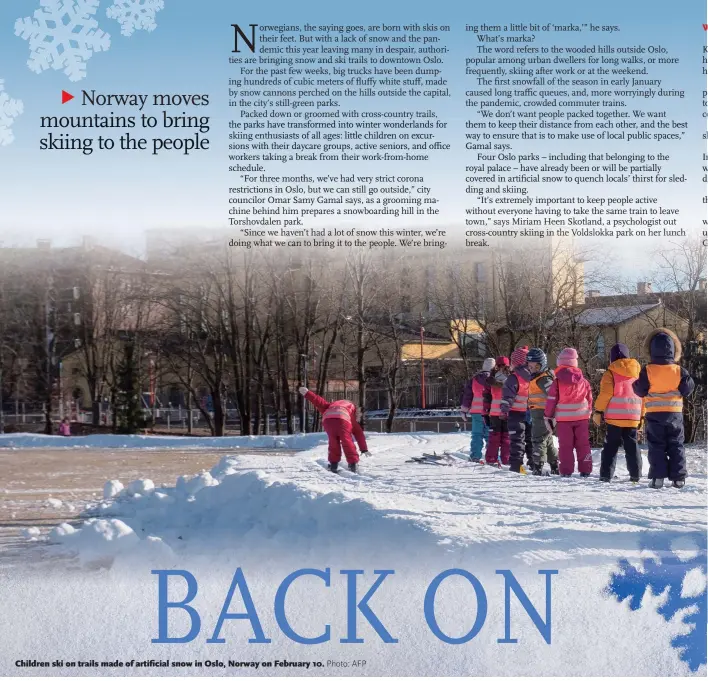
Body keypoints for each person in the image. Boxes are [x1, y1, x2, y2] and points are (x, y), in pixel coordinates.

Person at [632, 328, 695, 489]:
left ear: (651, 350)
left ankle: (658, 477)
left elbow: (640, 390)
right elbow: (688, 388)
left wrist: (635, 384)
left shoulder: (648, 370)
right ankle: (679, 478)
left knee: (656, 445)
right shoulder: (679, 370)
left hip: (654, 415)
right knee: (676, 444)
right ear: (674, 350)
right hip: (674, 414)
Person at [593, 343, 644, 483]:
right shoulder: (638, 372)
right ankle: (636, 475)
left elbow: (605, 394)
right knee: (632, 447)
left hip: (615, 418)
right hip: (633, 417)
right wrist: (642, 416)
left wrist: (598, 411)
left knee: (610, 447)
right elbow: (643, 396)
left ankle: (605, 475)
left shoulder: (610, 373)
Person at [544, 348, 593, 477]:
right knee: (583, 444)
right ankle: (586, 469)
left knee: (565, 446)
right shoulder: (583, 381)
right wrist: (589, 412)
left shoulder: (557, 382)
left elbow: (551, 400)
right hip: (582, 417)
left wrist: (548, 416)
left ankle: (566, 471)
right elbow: (589, 398)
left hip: (564, 420)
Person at [298, 387, 369, 473]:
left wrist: (307, 393)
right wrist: (364, 449)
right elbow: (359, 433)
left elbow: (319, 402)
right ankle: (353, 464)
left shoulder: (331, 405)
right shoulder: (352, 411)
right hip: (342, 420)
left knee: (333, 443)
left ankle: (333, 464)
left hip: (328, 420)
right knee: (347, 442)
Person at [526, 348, 559, 475]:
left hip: (542, 413)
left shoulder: (543, 379)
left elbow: (552, 394)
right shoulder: (538, 378)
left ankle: (538, 465)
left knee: (538, 439)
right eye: (529, 366)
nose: (531, 368)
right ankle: (554, 464)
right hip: (538, 413)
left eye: (534, 366)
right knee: (548, 439)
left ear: (541, 364)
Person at [500, 347, 532, 474]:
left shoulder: (514, 378)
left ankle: (517, 465)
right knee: (531, 439)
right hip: (531, 412)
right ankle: (534, 463)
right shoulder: (533, 376)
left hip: (516, 413)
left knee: (517, 440)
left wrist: (504, 410)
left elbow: (508, 396)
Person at [460, 358, 495, 461]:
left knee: (476, 435)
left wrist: (464, 410)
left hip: (476, 412)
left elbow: (467, 396)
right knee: (490, 435)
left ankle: (475, 456)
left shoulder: (474, 379)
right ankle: (492, 457)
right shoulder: (495, 379)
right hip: (490, 412)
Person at [483, 357, 511, 466]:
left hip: (494, 413)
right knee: (507, 438)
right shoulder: (511, 378)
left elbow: (486, 397)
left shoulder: (491, 379)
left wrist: (485, 412)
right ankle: (506, 460)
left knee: (494, 438)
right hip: (507, 413)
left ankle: (491, 459)